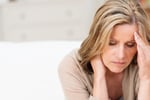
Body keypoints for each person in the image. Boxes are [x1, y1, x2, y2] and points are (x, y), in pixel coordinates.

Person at [58, 0, 150, 100]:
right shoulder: (73, 67)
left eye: (130, 45)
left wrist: (146, 78)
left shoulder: (145, 61)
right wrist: (99, 76)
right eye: (111, 43)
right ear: (97, 39)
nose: (121, 55)